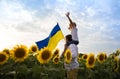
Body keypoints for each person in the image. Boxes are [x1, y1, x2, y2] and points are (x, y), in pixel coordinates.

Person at [62, 12, 79, 79]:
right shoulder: (72, 31)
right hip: (69, 67)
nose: (70, 25)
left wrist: (68, 17)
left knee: (66, 45)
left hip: (74, 42)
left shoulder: (74, 29)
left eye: (70, 25)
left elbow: (72, 23)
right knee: (66, 46)